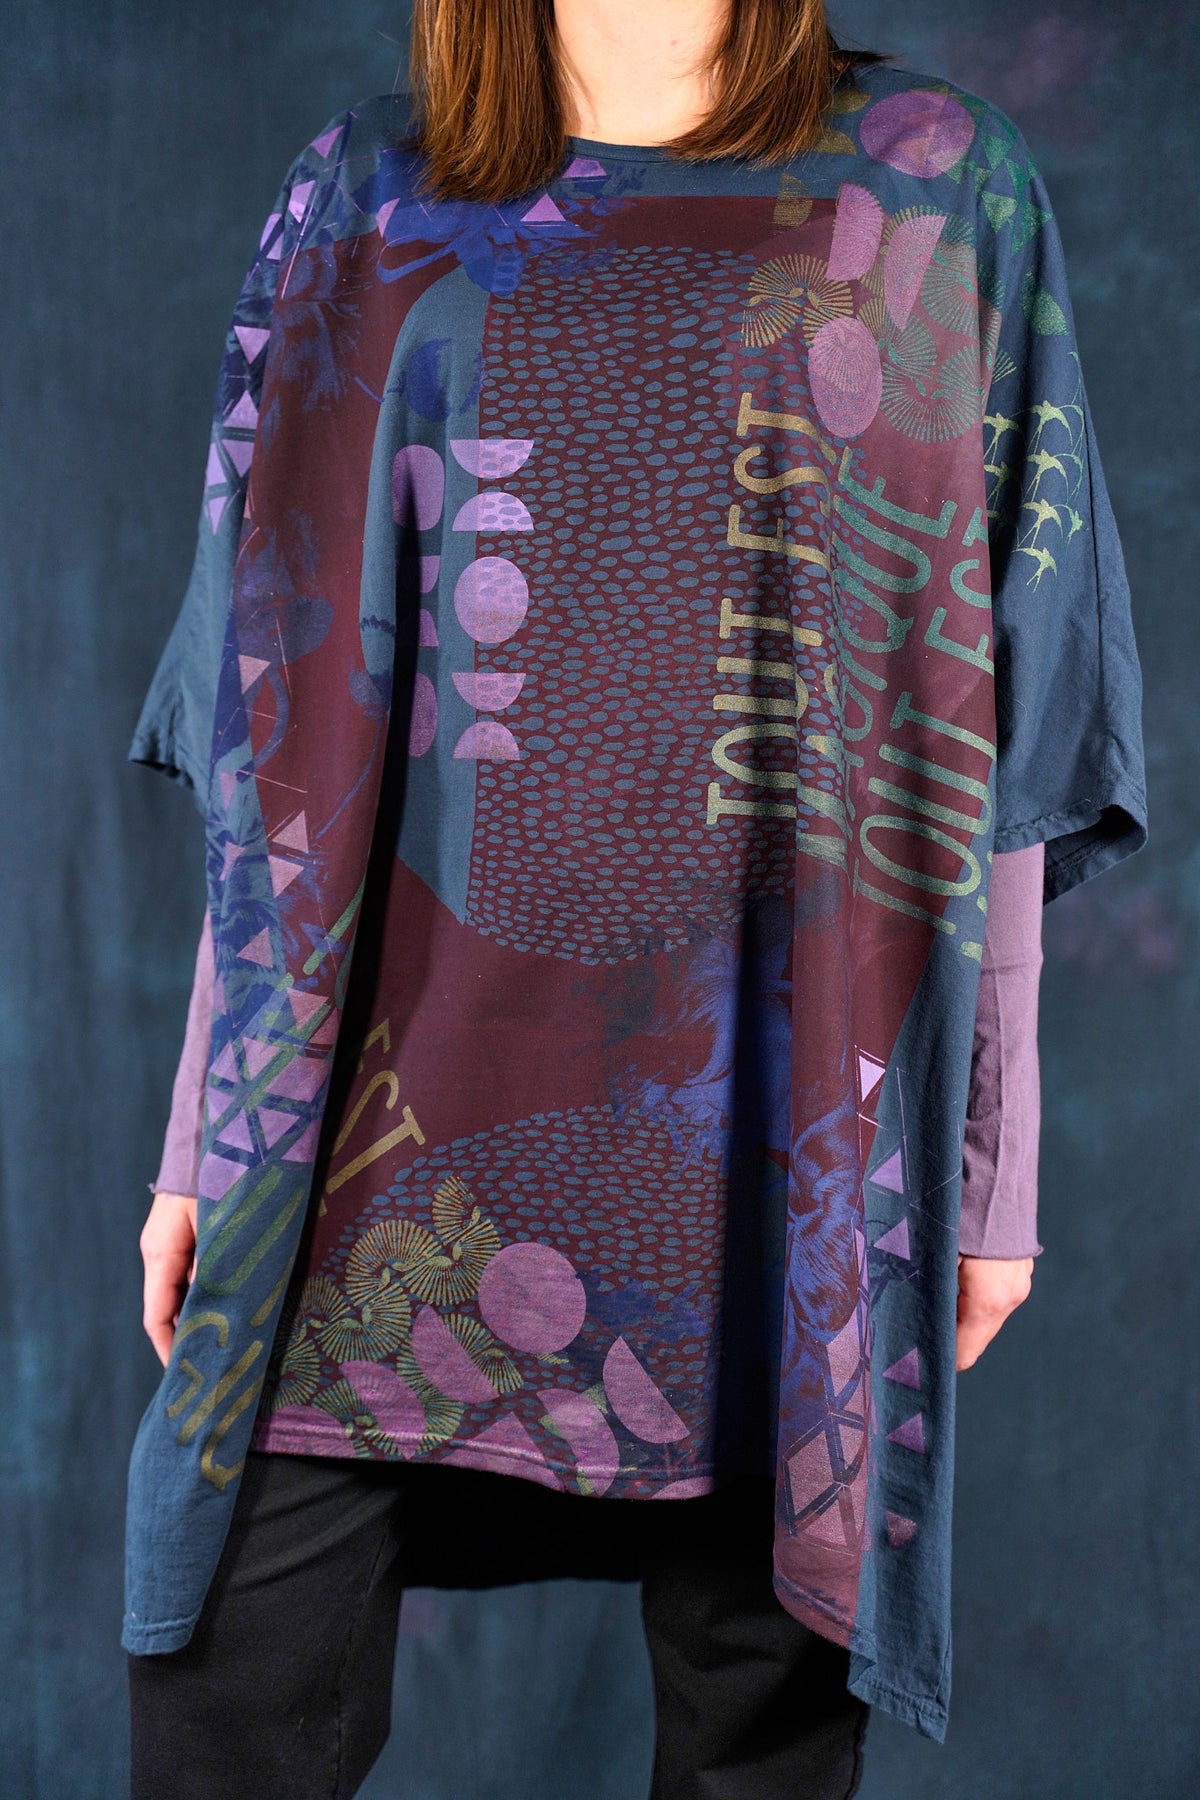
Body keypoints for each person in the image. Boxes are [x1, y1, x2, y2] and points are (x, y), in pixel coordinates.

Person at [123, 1, 1147, 1794]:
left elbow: (980, 698)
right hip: (372, 1131)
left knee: (760, 1723)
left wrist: (986, 1165)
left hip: (784, 1118)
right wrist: (208, 1138)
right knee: (229, 1696)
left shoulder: (931, 182)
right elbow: (269, 726)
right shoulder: (365, 194)